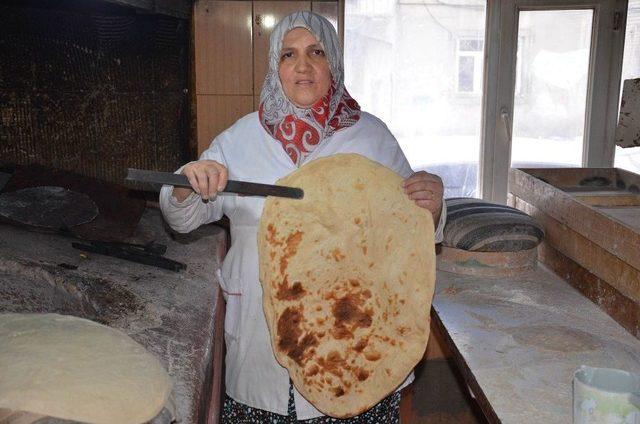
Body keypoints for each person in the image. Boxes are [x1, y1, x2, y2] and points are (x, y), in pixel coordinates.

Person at [160, 11, 446, 423]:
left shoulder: (370, 136)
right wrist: (188, 182)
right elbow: (181, 219)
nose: (303, 65)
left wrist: (433, 203)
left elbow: (414, 225)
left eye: (316, 52)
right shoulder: (241, 139)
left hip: (356, 337)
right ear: (275, 67)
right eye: (288, 55)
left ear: (334, 63)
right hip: (263, 340)